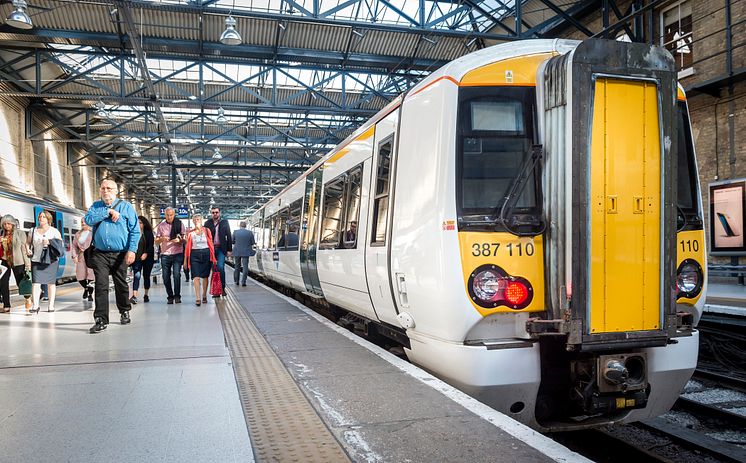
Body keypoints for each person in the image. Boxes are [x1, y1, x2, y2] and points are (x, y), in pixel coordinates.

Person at [84, 179, 140, 333]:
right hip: (99, 253)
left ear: (116, 191)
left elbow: (135, 231)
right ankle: (101, 319)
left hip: (120, 253)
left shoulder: (126, 207)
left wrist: (132, 250)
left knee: (120, 284)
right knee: (101, 285)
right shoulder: (96, 207)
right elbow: (88, 220)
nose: (105, 190)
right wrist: (107, 212)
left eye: (109, 188)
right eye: (103, 188)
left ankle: (124, 310)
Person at [27, 210, 62, 313]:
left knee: (51, 283)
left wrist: (50, 242)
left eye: (43, 217)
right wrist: (28, 249)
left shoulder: (54, 231)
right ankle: (35, 306)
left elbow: (60, 245)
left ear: (48, 219)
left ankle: (51, 306)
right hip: (36, 259)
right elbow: (27, 243)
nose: (41, 218)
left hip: (51, 260)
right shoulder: (32, 230)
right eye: (40, 216)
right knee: (36, 283)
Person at [0, 214, 31, 313]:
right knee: (3, 283)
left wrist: (27, 263)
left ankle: (28, 298)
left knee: (20, 283)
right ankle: (6, 305)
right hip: (5, 261)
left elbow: (24, 249)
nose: (6, 226)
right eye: (4, 224)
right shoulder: (1, 233)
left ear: (13, 224)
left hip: (18, 261)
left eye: (9, 224)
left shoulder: (20, 233)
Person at [155, 207, 185, 304]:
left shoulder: (180, 224)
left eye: (171, 215)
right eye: (167, 215)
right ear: (165, 215)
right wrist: (161, 239)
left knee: (177, 275)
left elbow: (185, 239)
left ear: (174, 215)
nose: (169, 217)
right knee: (165, 276)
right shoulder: (161, 226)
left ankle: (177, 296)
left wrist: (179, 240)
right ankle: (170, 296)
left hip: (177, 253)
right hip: (165, 254)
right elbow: (156, 241)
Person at [184, 214, 216, 306]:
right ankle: (197, 297)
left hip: (206, 254)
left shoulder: (207, 230)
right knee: (196, 276)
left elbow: (211, 244)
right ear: (193, 221)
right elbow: (187, 248)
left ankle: (204, 295)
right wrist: (185, 261)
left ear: (201, 221)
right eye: (195, 219)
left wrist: (213, 257)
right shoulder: (190, 233)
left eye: (198, 219)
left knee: (205, 276)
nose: (196, 221)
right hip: (194, 255)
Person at [204, 206, 232, 297]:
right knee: (214, 270)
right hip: (211, 249)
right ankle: (216, 291)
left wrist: (229, 250)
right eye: (213, 212)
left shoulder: (225, 222)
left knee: (220, 267)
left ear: (219, 213)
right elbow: (205, 237)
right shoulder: (207, 223)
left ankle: (222, 288)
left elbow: (229, 236)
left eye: (216, 212)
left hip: (221, 249)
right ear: (211, 213)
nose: (215, 214)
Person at [130, 216, 155, 304]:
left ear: (144, 224)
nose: (138, 224)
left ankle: (146, 294)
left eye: (140, 223)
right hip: (137, 258)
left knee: (146, 275)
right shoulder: (133, 233)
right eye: (137, 222)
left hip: (148, 258)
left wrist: (146, 253)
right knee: (136, 275)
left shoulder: (148, 233)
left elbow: (150, 245)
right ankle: (134, 295)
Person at [70, 223, 95, 302]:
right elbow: (74, 246)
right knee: (80, 276)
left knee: (91, 276)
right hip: (81, 256)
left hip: (91, 256)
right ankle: (86, 288)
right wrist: (74, 256)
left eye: (84, 221)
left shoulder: (93, 232)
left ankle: (90, 294)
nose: (83, 223)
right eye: (81, 222)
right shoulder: (78, 234)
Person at [232, 221, 256, 287]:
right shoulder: (250, 233)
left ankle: (236, 281)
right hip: (246, 252)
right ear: (245, 226)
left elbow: (232, 241)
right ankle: (243, 282)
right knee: (245, 267)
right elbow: (252, 242)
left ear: (240, 226)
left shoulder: (235, 232)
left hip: (237, 251)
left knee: (237, 267)